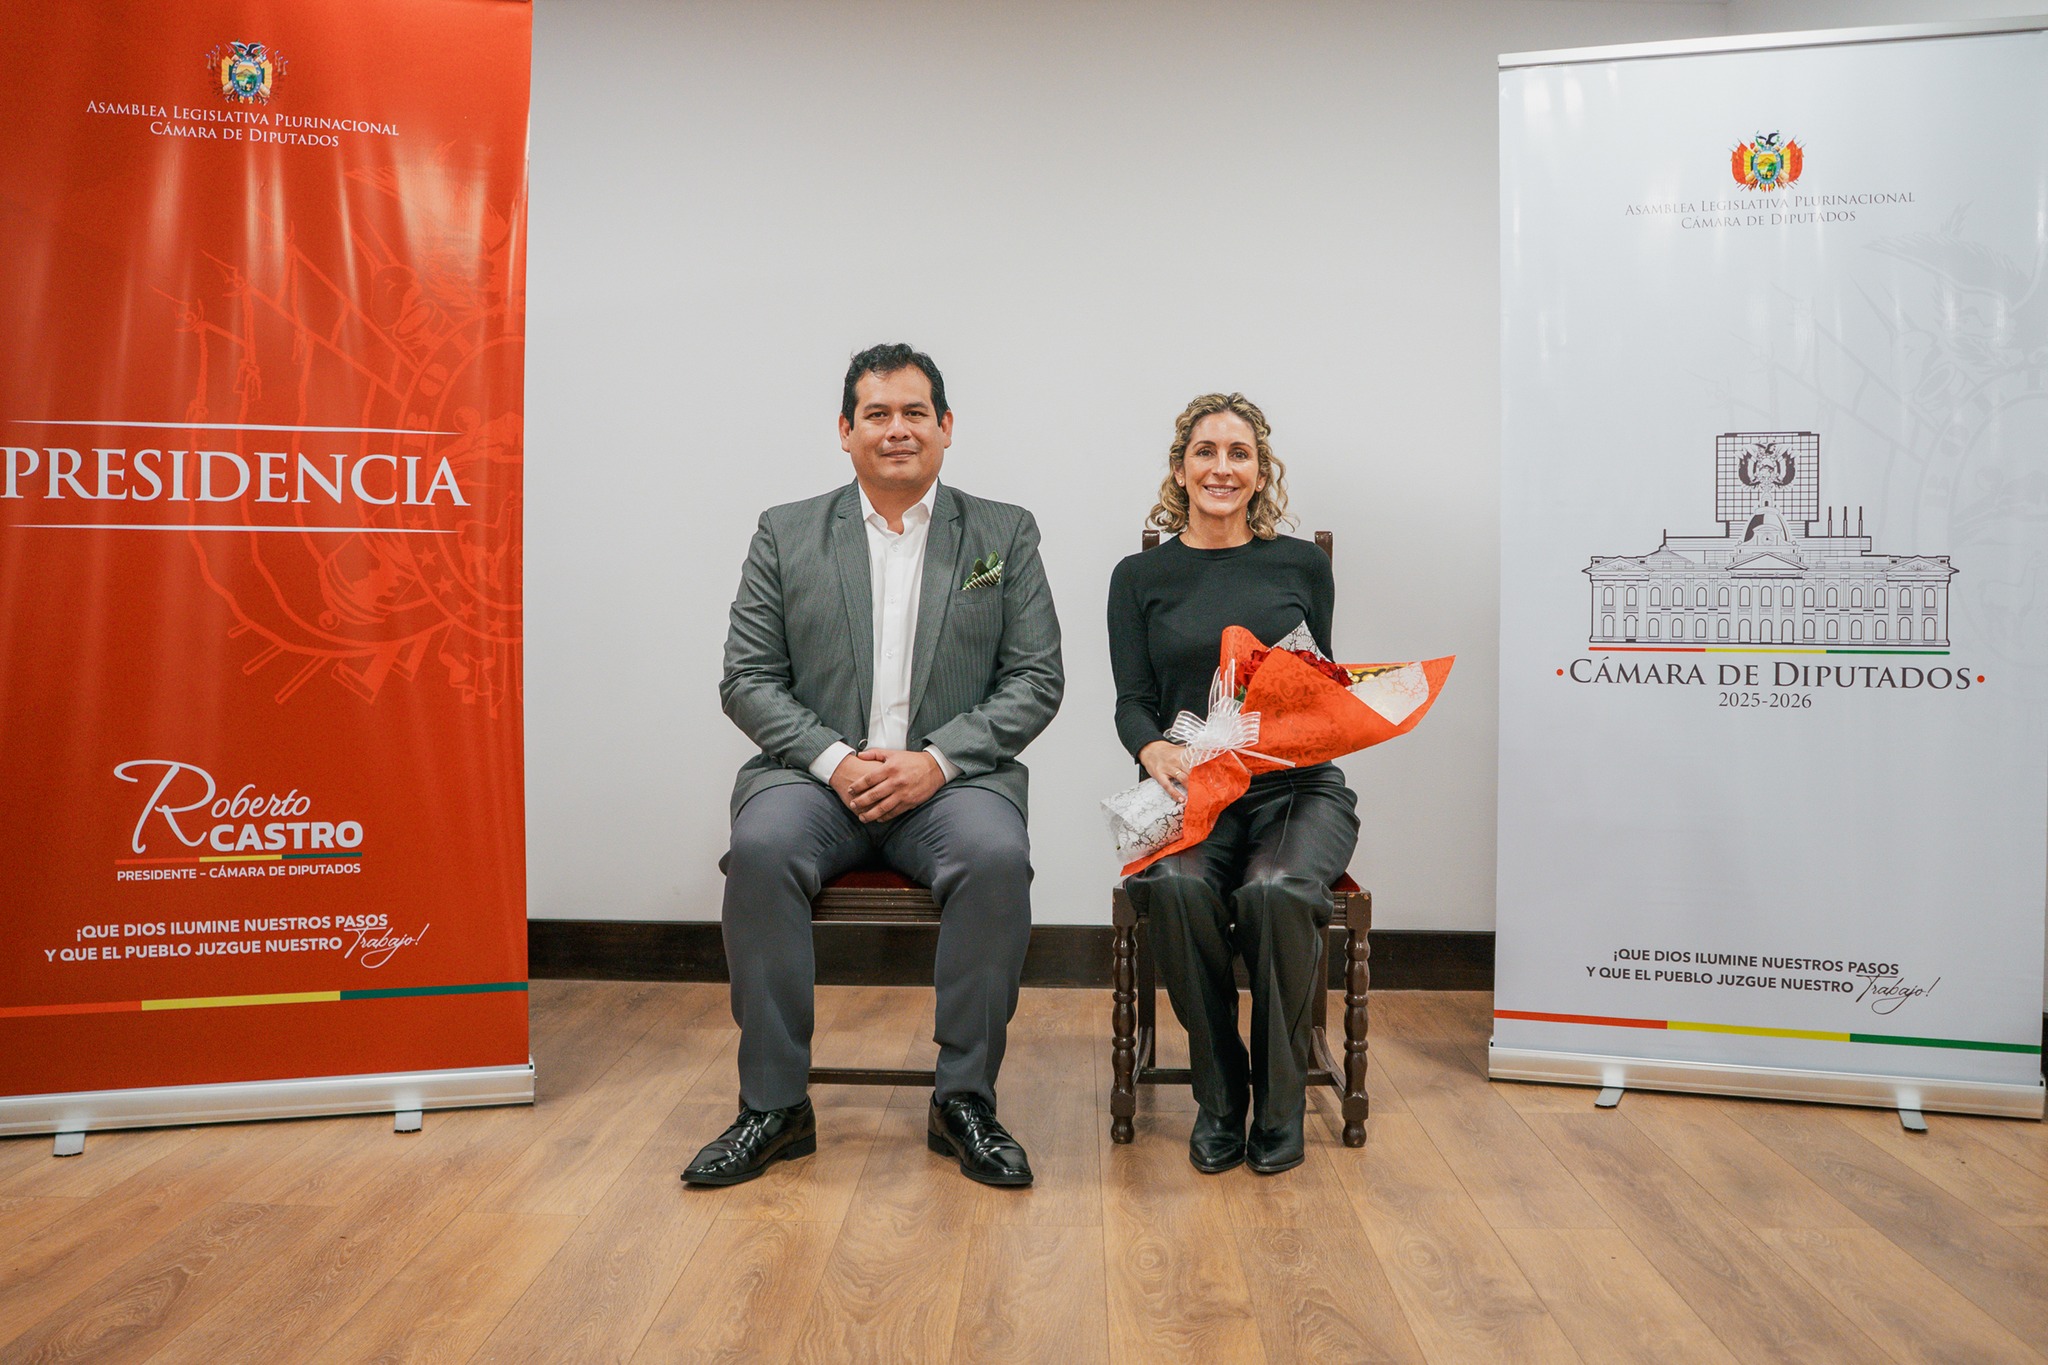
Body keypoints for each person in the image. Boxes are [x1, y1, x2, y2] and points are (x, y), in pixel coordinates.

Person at [684, 343, 1064, 1188]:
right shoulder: (785, 532)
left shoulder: (1003, 534)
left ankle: (964, 1100)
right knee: (760, 849)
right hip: (814, 780)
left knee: (996, 856)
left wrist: (936, 761)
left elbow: (1037, 680)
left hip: (951, 784)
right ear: (845, 431)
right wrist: (832, 760)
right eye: (878, 414)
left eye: (915, 412)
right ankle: (774, 1106)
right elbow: (747, 678)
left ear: (947, 427)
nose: (898, 429)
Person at [1107, 393, 1359, 1175]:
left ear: (1260, 469)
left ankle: (1279, 1106)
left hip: (1296, 790)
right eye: (1206, 451)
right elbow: (1131, 700)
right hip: (1194, 794)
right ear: (1181, 468)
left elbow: (1318, 685)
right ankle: (1221, 1095)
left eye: (1239, 453)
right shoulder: (1139, 576)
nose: (1222, 467)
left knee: (1275, 892)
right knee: (1176, 887)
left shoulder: (1301, 565)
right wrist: (1152, 748)